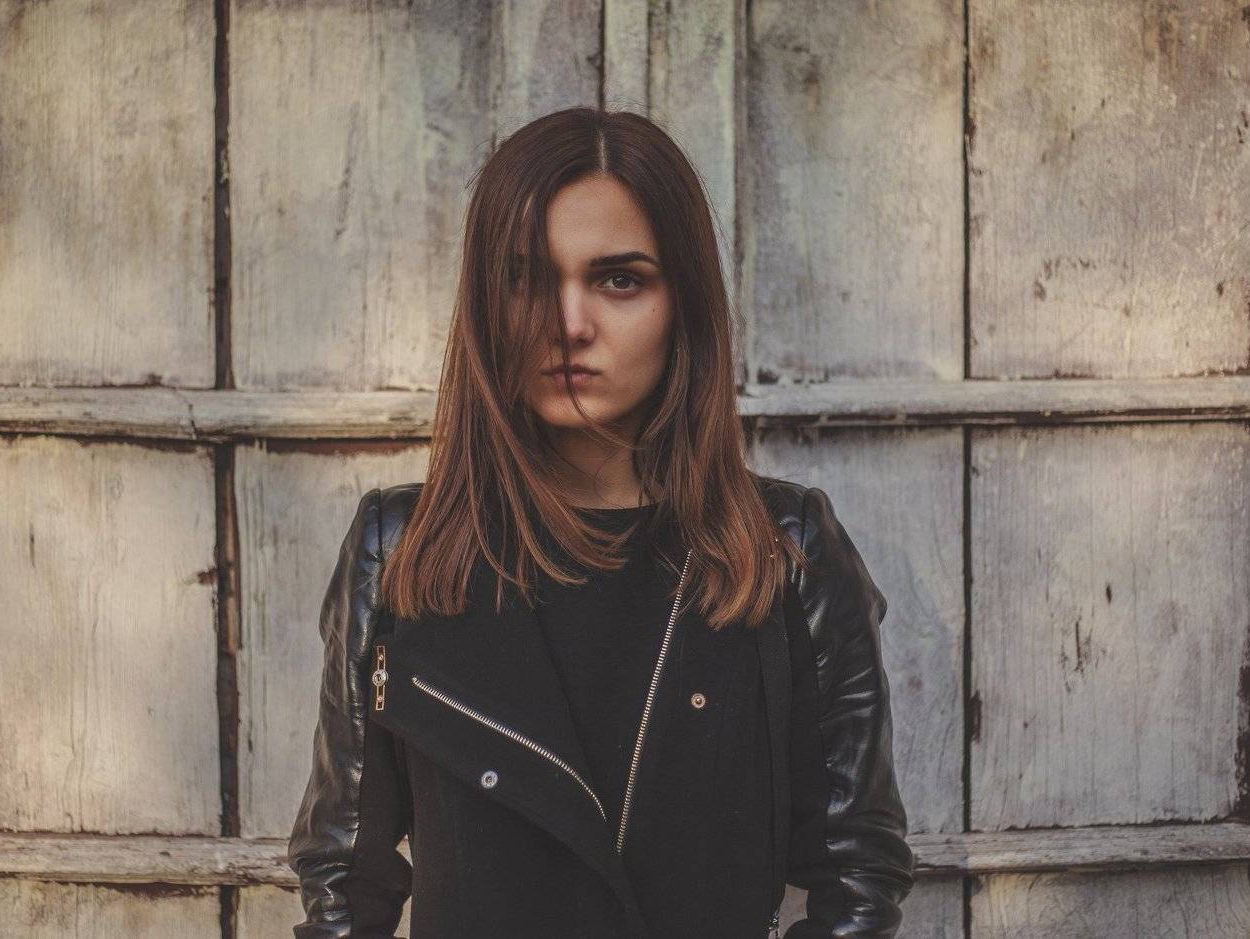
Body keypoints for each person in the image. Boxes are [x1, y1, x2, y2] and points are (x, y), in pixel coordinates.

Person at [287, 106, 914, 939]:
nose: (568, 323)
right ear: (485, 303)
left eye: (619, 279)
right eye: (525, 278)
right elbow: (344, 882)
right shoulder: (401, 549)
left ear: (684, 302)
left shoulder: (785, 552)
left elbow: (856, 877)